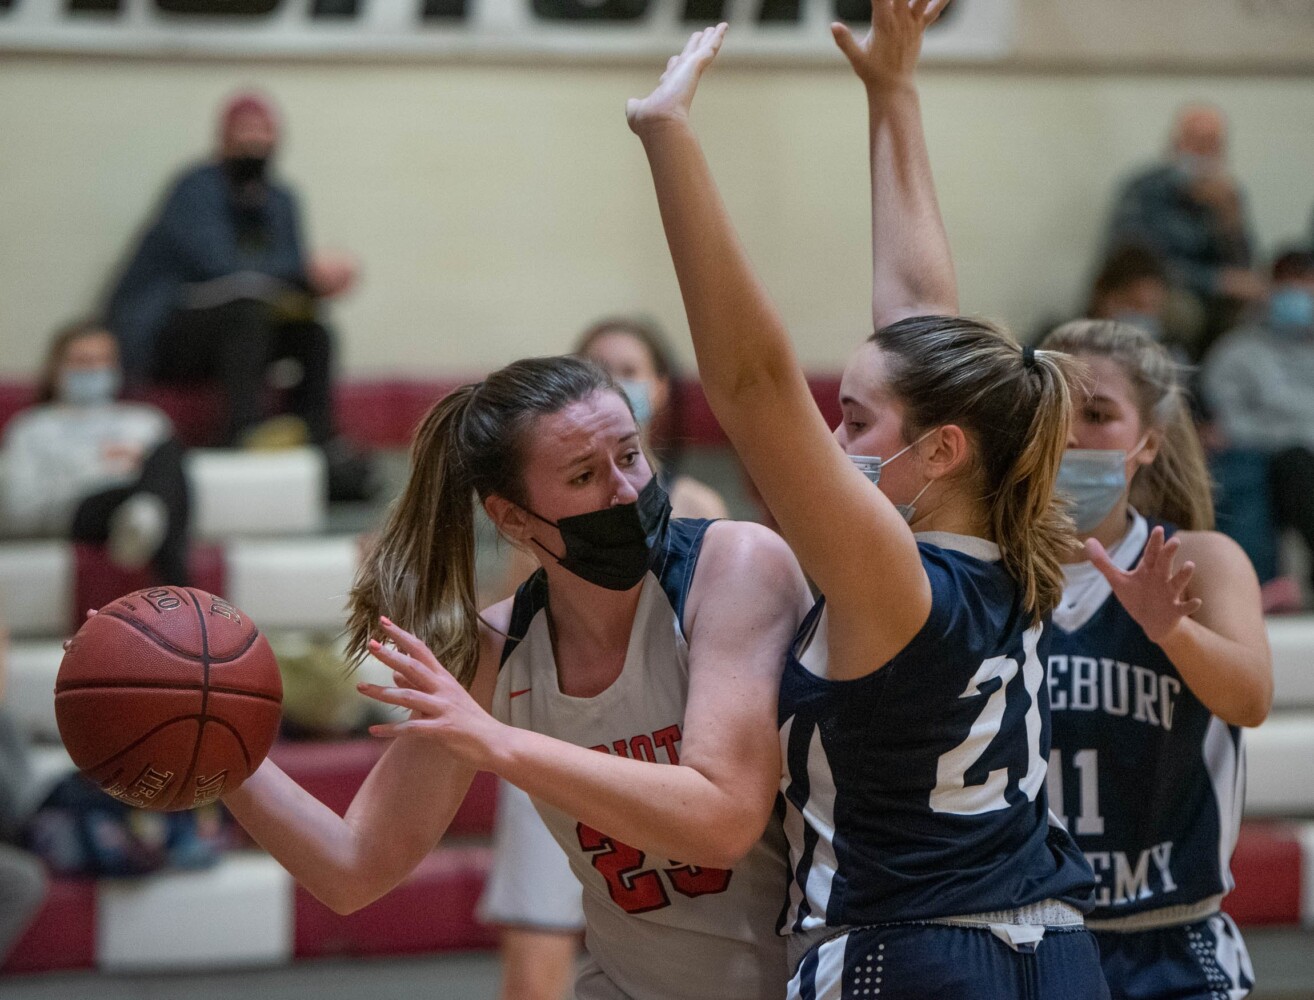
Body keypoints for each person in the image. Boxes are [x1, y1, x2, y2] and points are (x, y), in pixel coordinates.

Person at [627, 12, 1102, 999]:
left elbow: (755, 387)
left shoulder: (892, 573)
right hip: (1058, 955)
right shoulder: (1015, 538)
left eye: (852, 419)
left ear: (938, 451)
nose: (833, 445)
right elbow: (921, 309)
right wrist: (894, 94)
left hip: (915, 956)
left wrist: (670, 138)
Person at [223, 355, 813, 1000]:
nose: (624, 489)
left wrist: (499, 743)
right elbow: (353, 868)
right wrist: (218, 744)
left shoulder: (734, 567)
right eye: (585, 475)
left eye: (630, 455)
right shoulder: (496, 652)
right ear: (512, 519)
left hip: (794, 983)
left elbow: (722, 822)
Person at [479, 319, 730, 1000]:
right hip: (545, 735)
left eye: (629, 368)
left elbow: (723, 818)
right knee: (532, 965)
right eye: (600, 365)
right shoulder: (530, 553)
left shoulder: (710, 532)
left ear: (658, 391)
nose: (615, 378)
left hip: (655, 761)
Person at [1041, 319, 1271, 999]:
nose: (1073, 434)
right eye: (1055, 412)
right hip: (1032, 937)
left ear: (1149, 440)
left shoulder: (1200, 559)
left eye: (1099, 414)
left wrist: (1173, 632)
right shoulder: (992, 573)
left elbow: (1250, 699)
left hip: (1171, 933)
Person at [104, 92, 370, 497]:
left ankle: (318, 442)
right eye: (244, 130)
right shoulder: (194, 189)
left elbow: (284, 284)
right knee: (245, 312)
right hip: (169, 336)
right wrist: (303, 273)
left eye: (264, 131)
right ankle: (241, 438)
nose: (254, 140)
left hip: (244, 332)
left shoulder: (282, 200)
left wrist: (319, 283)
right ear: (222, 138)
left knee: (314, 332)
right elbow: (219, 268)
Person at [1, 321, 190, 584]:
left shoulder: (147, 421)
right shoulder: (30, 429)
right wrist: (93, 473)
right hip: (80, 511)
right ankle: (182, 597)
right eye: (82, 361)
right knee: (147, 504)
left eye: (102, 361)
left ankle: (143, 513)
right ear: (56, 369)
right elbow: (16, 509)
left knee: (166, 453)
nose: (93, 370)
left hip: (148, 500)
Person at [1103, 104, 1265, 354]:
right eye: (1195, 141)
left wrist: (1230, 224)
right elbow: (1133, 264)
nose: (1203, 151)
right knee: (1184, 311)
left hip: (1215, 300)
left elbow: (1243, 268)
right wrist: (1214, 281)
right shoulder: (1145, 190)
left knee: (1256, 307)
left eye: (1212, 143)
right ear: (1174, 144)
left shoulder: (1226, 195)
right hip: (1160, 292)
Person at [1201, 250, 1314, 602]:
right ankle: (1254, 591)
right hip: (1261, 457)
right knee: (1256, 467)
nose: (1297, 296)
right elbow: (1226, 425)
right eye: (1288, 286)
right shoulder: (1236, 351)